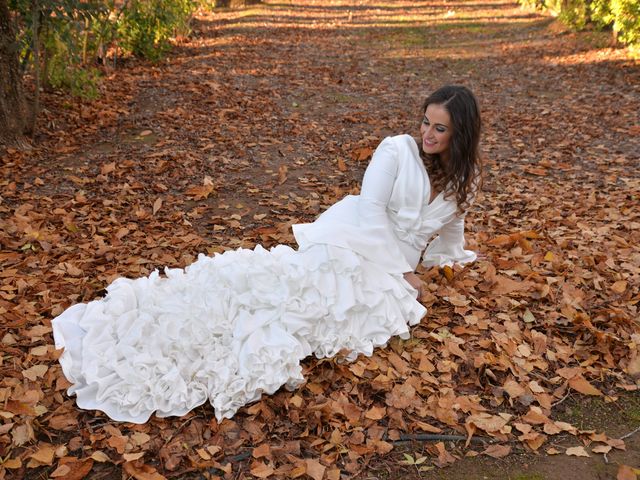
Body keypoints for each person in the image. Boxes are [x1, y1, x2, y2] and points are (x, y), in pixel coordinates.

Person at [52, 85, 482, 424]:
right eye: (426, 122)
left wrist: (452, 259)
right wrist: (403, 272)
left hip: (390, 273)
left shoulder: (466, 178)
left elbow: (452, 226)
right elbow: (370, 213)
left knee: (335, 325)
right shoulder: (396, 150)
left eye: (439, 128)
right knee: (288, 300)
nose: (427, 133)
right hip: (352, 243)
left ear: (459, 134)